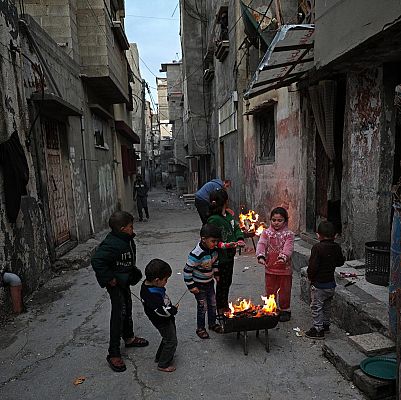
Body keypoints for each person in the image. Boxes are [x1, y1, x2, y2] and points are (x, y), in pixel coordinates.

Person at [91, 211, 149, 373]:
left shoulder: (125, 239)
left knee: (127, 308)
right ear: (122, 229)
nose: (133, 229)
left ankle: (129, 337)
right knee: (119, 314)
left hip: (123, 282)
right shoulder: (111, 244)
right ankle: (113, 353)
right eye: (131, 227)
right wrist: (109, 278)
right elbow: (97, 260)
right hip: (115, 284)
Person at [207, 190, 245, 315]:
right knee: (221, 284)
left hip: (229, 256)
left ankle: (223, 305)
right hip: (219, 258)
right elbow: (211, 241)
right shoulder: (213, 220)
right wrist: (225, 245)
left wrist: (239, 238)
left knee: (227, 282)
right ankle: (220, 308)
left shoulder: (229, 216)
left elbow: (236, 228)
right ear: (225, 202)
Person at [305, 221, 345, 339]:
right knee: (327, 306)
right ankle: (326, 325)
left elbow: (313, 267)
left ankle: (318, 329)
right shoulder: (336, 247)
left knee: (317, 307)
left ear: (318, 235)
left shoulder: (317, 248)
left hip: (319, 285)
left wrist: (310, 277)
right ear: (335, 235)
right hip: (331, 285)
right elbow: (340, 262)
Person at [184, 223, 224, 339]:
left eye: (217, 241)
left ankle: (212, 324)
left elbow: (215, 262)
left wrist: (216, 273)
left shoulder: (213, 250)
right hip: (198, 285)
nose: (215, 244)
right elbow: (187, 271)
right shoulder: (196, 254)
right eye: (213, 241)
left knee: (213, 304)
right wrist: (191, 286)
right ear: (203, 239)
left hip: (209, 282)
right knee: (203, 306)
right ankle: (200, 328)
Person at [256, 207, 294, 322]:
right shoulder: (266, 233)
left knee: (284, 290)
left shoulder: (289, 234)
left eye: (279, 220)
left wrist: (283, 257)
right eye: (274, 220)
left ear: (285, 221)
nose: (276, 223)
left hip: (285, 269)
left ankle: (285, 310)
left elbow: (288, 247)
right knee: (270, 290)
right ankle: (271, 308)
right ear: (270, 220)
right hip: (270, 268)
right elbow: (261, 244)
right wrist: (261, 256)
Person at [140, 259, 178, 372]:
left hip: (163, 318)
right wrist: (173, 310)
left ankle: (160, 357)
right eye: (165, 279)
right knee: (171, 341)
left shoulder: (147, 284)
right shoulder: (152, 296)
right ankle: (163, 364)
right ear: (157, 280)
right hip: (161, 321)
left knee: (167, 338)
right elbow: (161, 311)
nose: (166, 282)